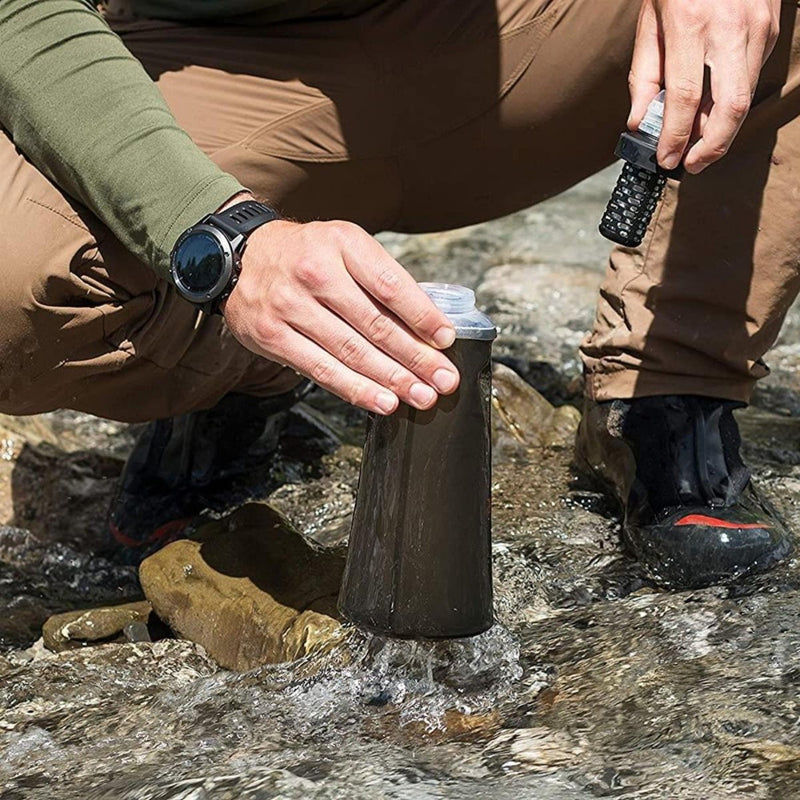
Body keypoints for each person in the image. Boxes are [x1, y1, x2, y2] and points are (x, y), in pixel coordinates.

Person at [0, 0, 794, 586]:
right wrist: (220, 240)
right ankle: (244, 359)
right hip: (208, 60)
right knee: (16, 291)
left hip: (518, 39)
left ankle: (668, 388)